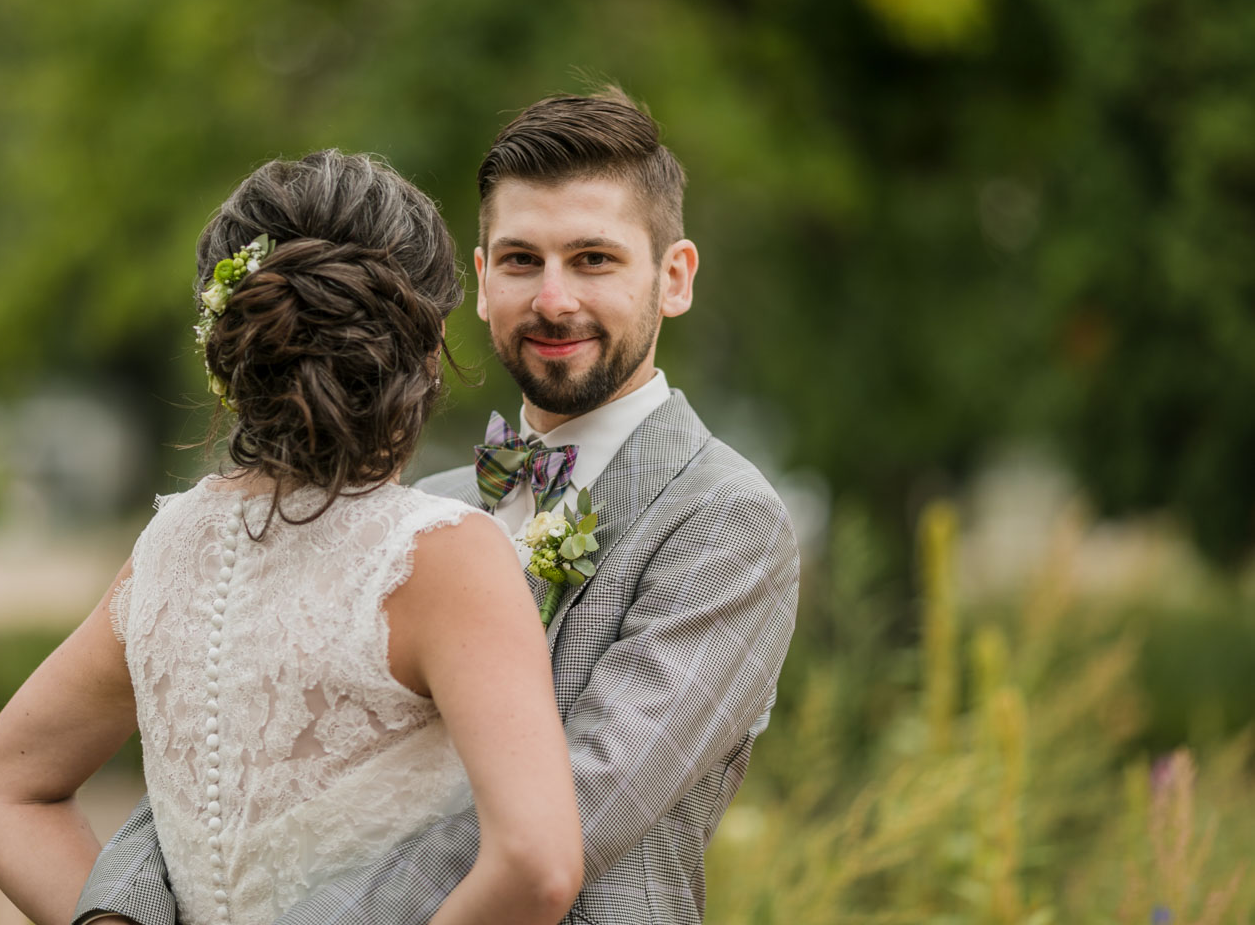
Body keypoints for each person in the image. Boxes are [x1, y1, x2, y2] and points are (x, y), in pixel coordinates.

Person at [74, 87, 801, 925]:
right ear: (483, 283)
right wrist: (124, 911)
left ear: (673, 279)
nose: (554, 300)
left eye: (594, 260)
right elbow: (237, 746)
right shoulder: (430, 509)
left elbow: (577, 810)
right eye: (523, 261)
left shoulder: (727, 521)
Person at [0, 149, 584, 925]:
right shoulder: (440, 552)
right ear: (426, 350)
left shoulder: (168, 549)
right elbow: (540, 866)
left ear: (231, 348)